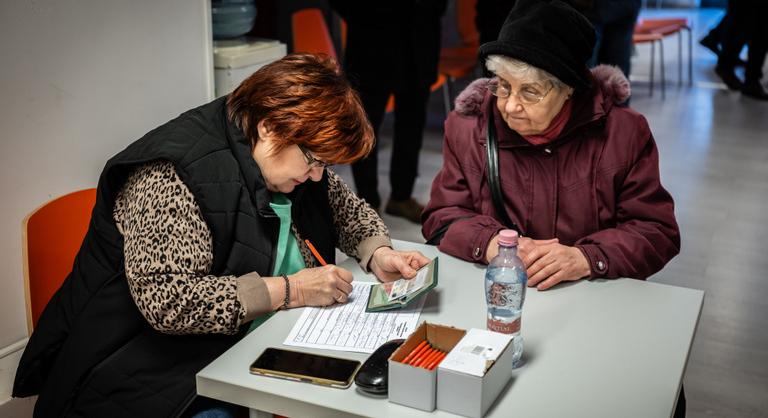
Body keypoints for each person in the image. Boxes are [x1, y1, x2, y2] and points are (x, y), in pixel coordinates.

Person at [13, 53, 430, 417]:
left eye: (326, 164)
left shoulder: (286, 158)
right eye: (314, 161)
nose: (319, 175)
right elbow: (170, 301)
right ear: (269, 128)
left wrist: (379, 253)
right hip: (146, 373)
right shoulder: (172, 175)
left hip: (248, 346)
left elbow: (343, 208)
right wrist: (292, 290)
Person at [423, 2, 683, 413]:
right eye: (503, 86)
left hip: (593, 316)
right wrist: (492, 244)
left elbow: (656, 230)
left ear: (569, 89)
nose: (510, 105)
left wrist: (587, 257)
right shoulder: (469, 127)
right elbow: (441, 216)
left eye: (530, 92)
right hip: (497, 314)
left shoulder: (623, 133)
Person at [330, 0, 447, 223]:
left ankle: (401, 198)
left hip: (418, 45)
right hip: (372, 46)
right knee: (364, 128)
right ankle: (367, 201)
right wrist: (369, 15)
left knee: (412, 127)